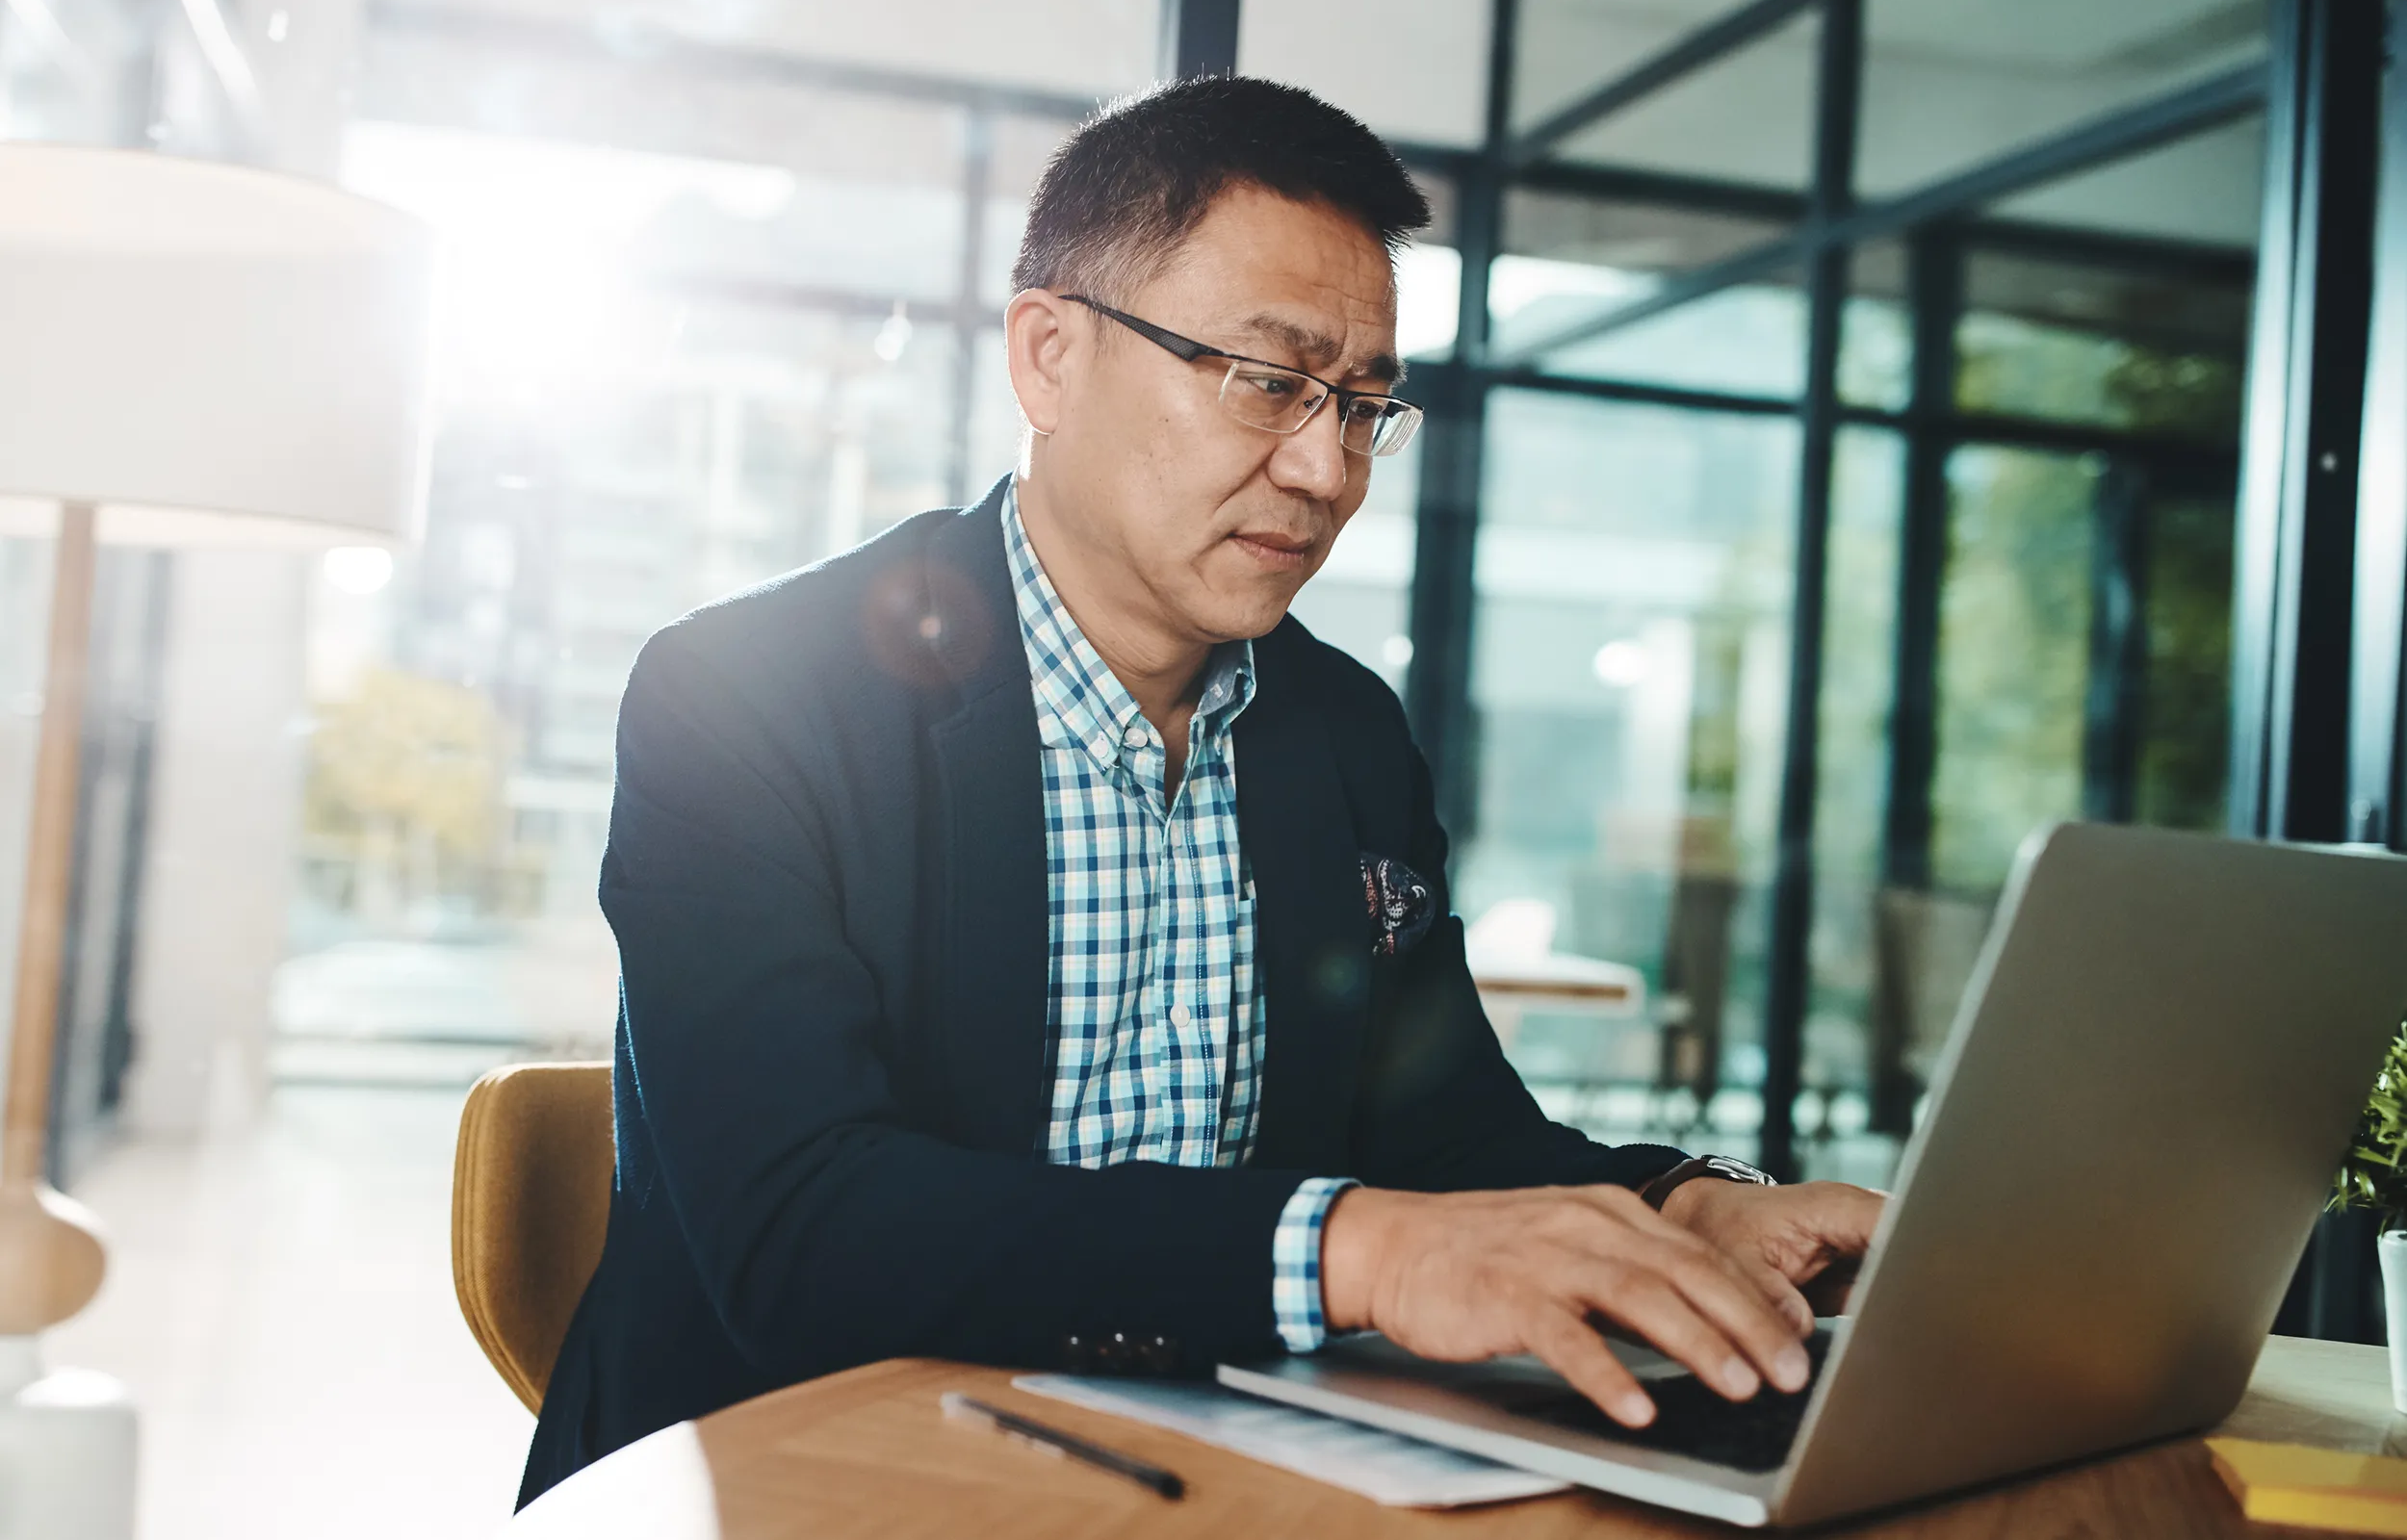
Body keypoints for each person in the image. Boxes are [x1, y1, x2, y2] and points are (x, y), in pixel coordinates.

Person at [519, 76, 1882, 1507]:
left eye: (1362, 406)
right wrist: (1362, 1250)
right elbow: (800, 1230)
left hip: (1208, 1470)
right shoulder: (745, 696)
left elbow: (1453, 1136)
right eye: (1269, 380)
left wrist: (1690, 1209)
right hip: (789, 1467)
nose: (1325, 471)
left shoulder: (1341, 728)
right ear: (1048, 357)